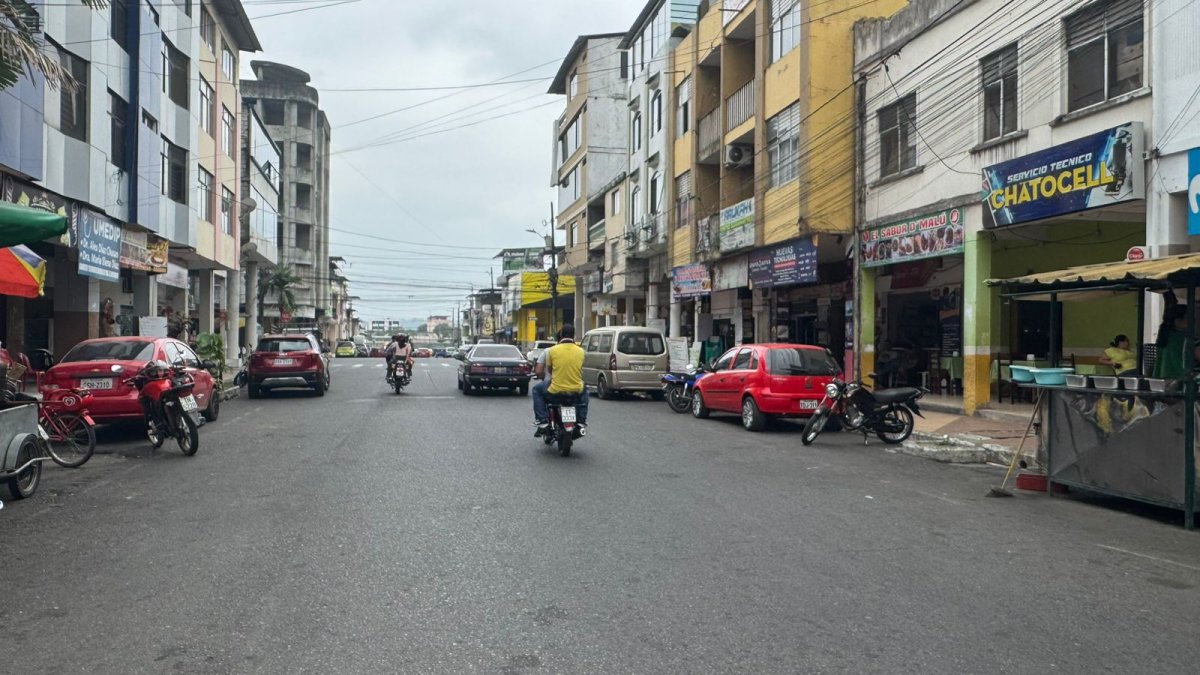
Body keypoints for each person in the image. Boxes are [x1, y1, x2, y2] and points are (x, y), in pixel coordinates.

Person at [532, 324, 588, 434]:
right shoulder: (581, 351)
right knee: (585, 390)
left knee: (536, 390)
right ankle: (581, 420)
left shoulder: (552, 351)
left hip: (556, 390)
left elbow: (550, 370)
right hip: (576, 390)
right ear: (574, 335)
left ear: (561, 334)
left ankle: (542, 420)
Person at [1153, 302, 1189, 380]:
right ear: (1178, 320)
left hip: (1164, 376)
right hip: (1176, 378)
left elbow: (1158, 363)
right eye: (1188, 318)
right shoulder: (1178, 337)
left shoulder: (1165, 333)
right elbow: (1177, 360)